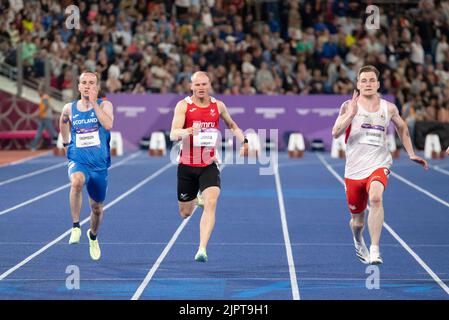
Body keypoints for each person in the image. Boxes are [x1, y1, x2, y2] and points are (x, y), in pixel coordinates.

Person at [332, 65, 428, 265]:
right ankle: (359, 241)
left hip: (379, 163)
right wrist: (350, 115)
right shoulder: (348, 106)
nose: (367, 84)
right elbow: (335, 133)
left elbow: (402, 128)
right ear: (358, 84)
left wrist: (411, 153)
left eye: (371, 80)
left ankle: (375, 249)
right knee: (357, 222)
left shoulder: (389, 108)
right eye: (363, 81)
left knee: (376, 198)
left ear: (378, 84)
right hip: (354, 170)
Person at [170, 71, 248, 262]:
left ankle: (202, 249)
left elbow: (231, 124)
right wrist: (189, 130)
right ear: (191, 87)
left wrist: (244, 141)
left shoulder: (218, 106)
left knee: (211, 201)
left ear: (210, 85)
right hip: (187, 165)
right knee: (185, 213)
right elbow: (173, 134)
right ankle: (196, 199)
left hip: (209, 163)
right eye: (197, 85)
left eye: (204, 84)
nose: (201, 88)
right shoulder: (183, 106)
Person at [59, 71, 114, 261]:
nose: (88, 86)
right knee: (76, 182)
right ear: (79, 87)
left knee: (97, 208)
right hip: (78, 160)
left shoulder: (105, 105)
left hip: (99, 165)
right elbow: (63, 121)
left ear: (97, 87)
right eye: (84, 83)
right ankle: (75, 226)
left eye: (92, 83)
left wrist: (94, 103)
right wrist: (66, 143)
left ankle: (93, 236)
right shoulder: (69, 108)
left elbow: (107, 125)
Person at [29, 85, 58, 150]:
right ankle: (33, 146)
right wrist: (36, 114)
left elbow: (46, 106)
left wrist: (38, 114)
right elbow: (42, 108)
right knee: (40, 132)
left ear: (42, 91)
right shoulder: (44, 98)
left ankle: (58, 144)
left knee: (52, 131)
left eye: (39, 91)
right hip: (43, 117)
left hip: (46, 117)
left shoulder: (45, 97)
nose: (38, 93)